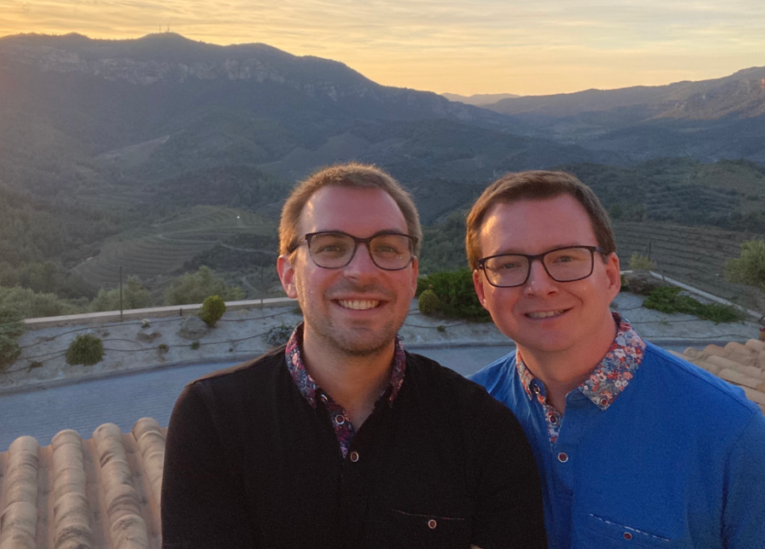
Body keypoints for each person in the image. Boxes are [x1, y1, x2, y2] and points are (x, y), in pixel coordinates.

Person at [162, 162, 547, 549]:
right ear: (289, 275)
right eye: (331, 247)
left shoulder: (481, 428)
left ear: (413, 275)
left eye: (387, 249)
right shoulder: (213, 419)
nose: (362, 271)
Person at [468, 170, 765, 548]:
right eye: (508, 264)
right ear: (482, 289)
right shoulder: (464, 417)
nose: (539, 286)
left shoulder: (733, 437)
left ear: (611, 275)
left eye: (565, 258)